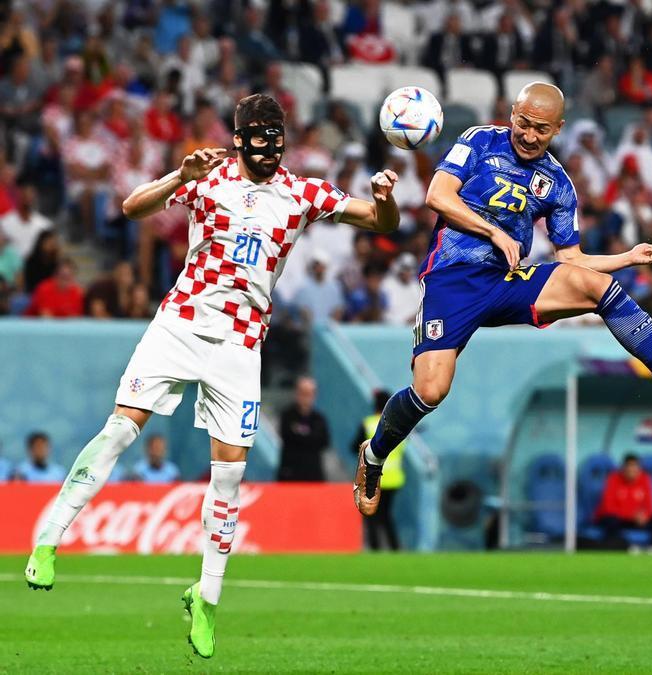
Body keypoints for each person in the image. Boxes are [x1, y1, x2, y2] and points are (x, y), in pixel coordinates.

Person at [24, 93, 401, 659]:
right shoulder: (207, 174)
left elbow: (379, 221)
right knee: (121, 430)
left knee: (229, 476)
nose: (270, 147)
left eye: (278, 136)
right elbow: (131, 207)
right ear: (241, 136)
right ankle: (50, 538)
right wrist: (180, 174)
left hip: (240, 345)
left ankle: (207, 598)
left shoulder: (302, 193)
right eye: (260, 136)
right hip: (178, 325)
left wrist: (385, 200)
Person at [353, 83, 652, 517]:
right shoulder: (478, 140)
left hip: (509, 279)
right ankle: (375, 456)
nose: (529, 135)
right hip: (452, 280)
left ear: (559, 129)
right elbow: (438, 196)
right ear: (512, 113)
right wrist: (494, 232)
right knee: (431, 390)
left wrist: (627, 257)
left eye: (541, 130)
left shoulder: (558, 184)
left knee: (595, 287)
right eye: (523, 123)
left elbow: (572, 258)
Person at [350, 390, 404, 551]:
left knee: (371, 516)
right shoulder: (399, 423)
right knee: (387, 516)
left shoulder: (369, 423)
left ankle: (375, 549)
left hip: (373, 476)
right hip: (394, 478)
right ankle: (395, 548)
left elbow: (354, 447)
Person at [594, 453, 652, 546]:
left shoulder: (645, 479)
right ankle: (615, 549)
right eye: (629, 468)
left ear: (639, 470)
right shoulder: (613, 479)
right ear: (623, 469)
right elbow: (608, 507)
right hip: (618, 519)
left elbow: (650, 506)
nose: (632, 472)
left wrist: (645, 516)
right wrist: (632, 515)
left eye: (635, 469)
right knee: (610, 521)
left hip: (636, 520)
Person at [277, 376, 332, 482]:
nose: (305, 397)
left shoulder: (319, 419)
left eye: (309, 394)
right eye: (303, 393)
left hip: (313, 474)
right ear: (297, 393)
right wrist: (309, 437)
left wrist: (299, 434)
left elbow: (324, 442)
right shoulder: (287, 416)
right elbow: (287, 436)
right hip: (290, 474)